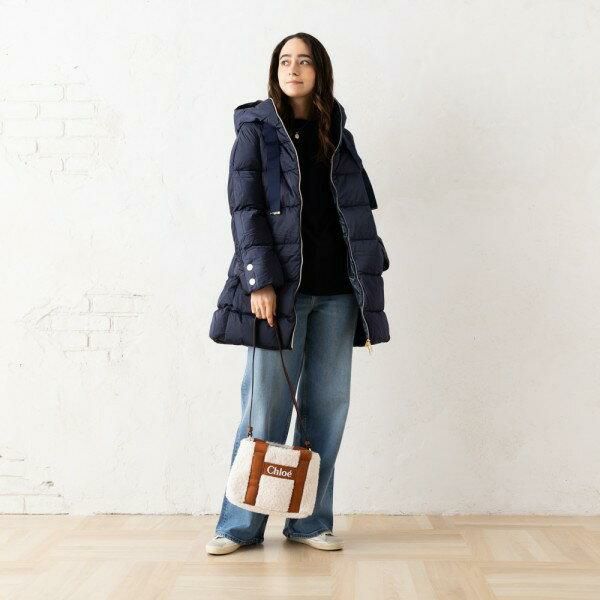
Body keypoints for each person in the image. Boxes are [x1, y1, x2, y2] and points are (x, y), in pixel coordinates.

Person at [206, 32, 391, 555]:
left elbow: (355, 212)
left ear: (319, 71)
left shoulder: (339, 134)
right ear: (276, 71)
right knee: (262, 411)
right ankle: (238, 526)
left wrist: (371, 270)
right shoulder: (256, 133)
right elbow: (245, 211)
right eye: (285, 60)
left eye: (304, 61)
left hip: (338, 293)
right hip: (280, 293)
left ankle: (308, 522)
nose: (293, 68)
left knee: (326, 411)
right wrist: (259, 281)